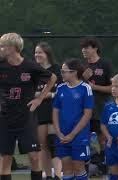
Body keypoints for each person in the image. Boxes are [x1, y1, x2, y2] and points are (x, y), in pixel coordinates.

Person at [0, 32, 57, 180]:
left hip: (26, 119)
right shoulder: (2, 66)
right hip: (5, 119)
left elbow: (52, 78)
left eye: (2, 46)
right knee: (5, 159)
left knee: (34, 158)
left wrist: (39, 99)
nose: (0, 49)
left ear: (12, 48)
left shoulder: (30, 66)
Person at [52, 58, 94, 180]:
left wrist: (73, 134)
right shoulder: (60, 88)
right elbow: (55, 111)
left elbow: (87, 114)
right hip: (62, 135)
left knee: (78, 167)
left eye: (64, 71)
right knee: (66, 168)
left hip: (79, 136)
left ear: (74, 72)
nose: (62, 73)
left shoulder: (85, 88)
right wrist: (58, 132)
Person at [80, 37, 112, 169]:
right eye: (83, 48)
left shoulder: (105, 65)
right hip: (85, 109)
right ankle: (87, 163)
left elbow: (112, 87)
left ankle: (106, 163)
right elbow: (75, 87)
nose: (84, 50)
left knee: (102, 137)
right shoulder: (82, 67)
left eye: (86, 47)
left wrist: (95, 88)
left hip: (101, 107)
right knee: (84, 137)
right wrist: (82, 78)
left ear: (95, 48)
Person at [34, 42, 63, 179]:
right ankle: (49, 175)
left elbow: (60, 91)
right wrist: (45, 94)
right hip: (39, 112)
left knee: (54, 144)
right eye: (35, 52)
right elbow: (31, 93)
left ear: (47, 54)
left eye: (40, 52)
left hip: (54, 111)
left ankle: (57, 175)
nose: (37, 55)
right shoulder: (34, 70)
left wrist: (48, 95)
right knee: (43, 145)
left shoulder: (57, 70)